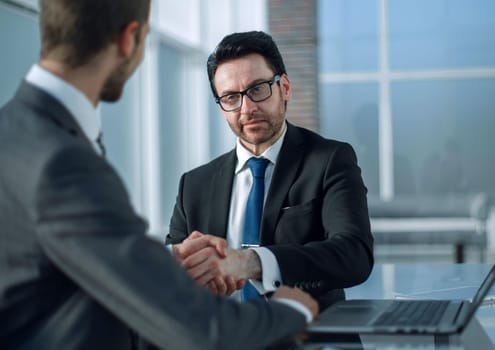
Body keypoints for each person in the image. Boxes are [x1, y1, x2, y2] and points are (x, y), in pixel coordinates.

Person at [0, 2, 319, 350]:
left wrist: (168, 260)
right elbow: (203, 332)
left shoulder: (15, 130)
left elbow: (50, 263)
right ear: (130, 38)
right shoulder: (62, 159)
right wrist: (292, 311)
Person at [166, 31, 374, 310]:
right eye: (230, 97)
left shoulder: (330, 160)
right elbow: (168, 279)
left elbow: (354, 255)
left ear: (284, 87)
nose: (247, 108)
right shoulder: (194, 185)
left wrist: (251, 263)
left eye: (257, 89)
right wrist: (187, 268)